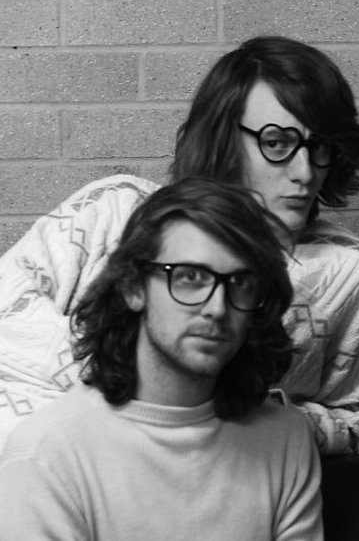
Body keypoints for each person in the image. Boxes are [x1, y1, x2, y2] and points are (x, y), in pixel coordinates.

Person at [0, 36, 359, 455]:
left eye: (320, 148)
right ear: (222, 138)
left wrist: (249, 415)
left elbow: (355, 429)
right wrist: (134, 388)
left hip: (197, 476)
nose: (305, 172)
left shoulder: (345, 271)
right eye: (276, 142)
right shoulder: (114, 208)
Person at [0, 178, 323, 539]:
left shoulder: (286, 438)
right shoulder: (46, 452)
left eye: (241, 283)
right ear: (133, 288)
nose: (217, 308)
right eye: (190, 277)